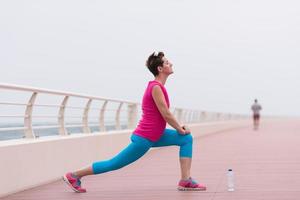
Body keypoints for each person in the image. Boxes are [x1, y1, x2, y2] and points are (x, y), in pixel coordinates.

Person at [62, 51, 207, 192]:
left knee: (186, 139)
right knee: (114, 164)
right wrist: (179, 128)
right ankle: (74, 175)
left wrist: (180, 130)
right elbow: (166, 114)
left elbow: (164, 114)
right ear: (160, 68)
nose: (171, 63)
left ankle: (185, 180)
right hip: (145, 138)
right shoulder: (156, 87)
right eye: (168, 62)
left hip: (156, 135)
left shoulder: (158, 87)